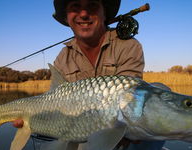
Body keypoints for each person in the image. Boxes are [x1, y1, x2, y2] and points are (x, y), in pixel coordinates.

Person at [13, 0, 165, 149]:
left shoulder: (128, 45)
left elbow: (130, 99)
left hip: (120, 127)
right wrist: (32, 120)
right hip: (80, 129)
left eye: (92, 5)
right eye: (75, 6)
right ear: (67, 17)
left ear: (104, 13)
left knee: (160, 92)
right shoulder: (62, 59)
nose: (84, 14)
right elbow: (55, 102)